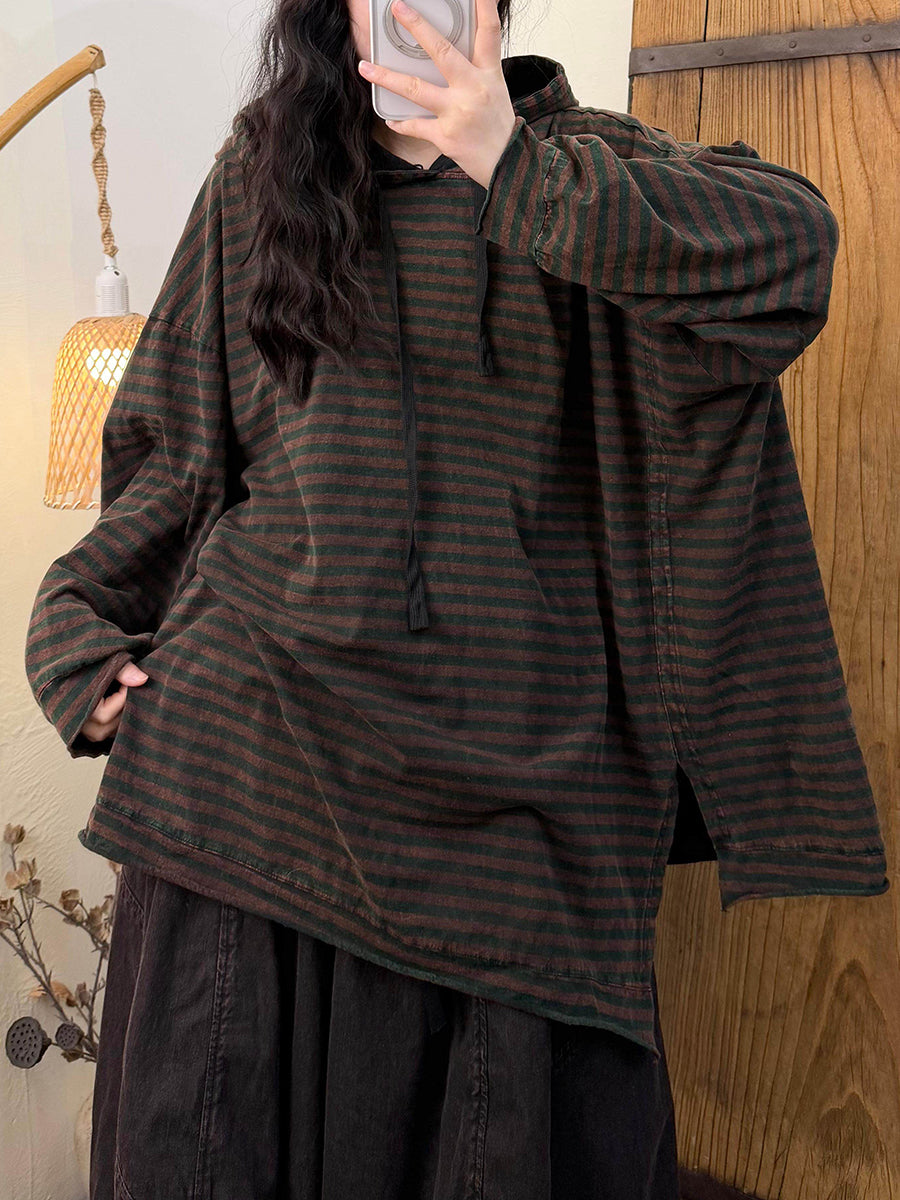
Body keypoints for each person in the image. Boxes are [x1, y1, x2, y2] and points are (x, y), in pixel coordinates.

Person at [24, 0, 889, 1196]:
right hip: (247, 786)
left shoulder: (591, 170)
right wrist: (76, 637)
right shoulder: (263, 180)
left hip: (519, 827)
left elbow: (794, 256)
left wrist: (507, 164)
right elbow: (172, 447)